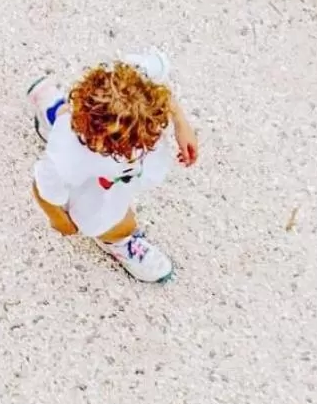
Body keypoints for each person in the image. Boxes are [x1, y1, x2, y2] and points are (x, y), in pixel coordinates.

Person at [27, 50, 199, 284]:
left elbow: (157, 88)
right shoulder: (69, 158)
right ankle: (119, 241)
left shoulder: (127, 84)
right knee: (118, 221)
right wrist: (60, 221)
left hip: (84, 134)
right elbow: (43, 186)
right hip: (98, 189)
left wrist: (180, 123)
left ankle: (52, 109)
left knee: (66, 121)